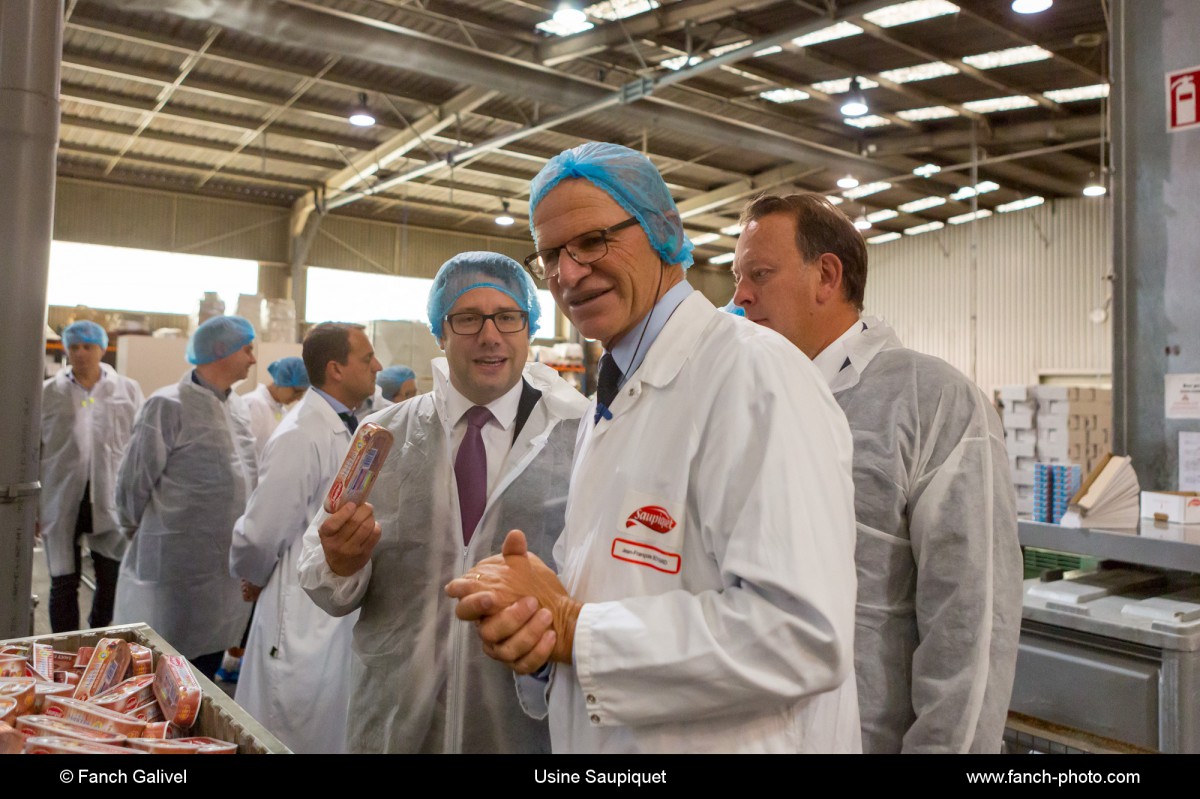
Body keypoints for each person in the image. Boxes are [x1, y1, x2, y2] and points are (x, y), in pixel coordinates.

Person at [445, 143, 861, 754]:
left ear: (662, 233)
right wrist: (540, 636)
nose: (567, 274)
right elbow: (618, 597)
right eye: (551, 255)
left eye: (591, 242)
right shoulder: (612, 400)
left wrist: (572, 628)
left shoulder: (753, 375)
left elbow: (800, 635)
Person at [729, 193, 1023, 753]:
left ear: (827, 276)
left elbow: (969, 623)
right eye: (739, 277)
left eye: (759, 275)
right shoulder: (743, 400)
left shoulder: (932, 401)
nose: (740, 296)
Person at [298, 252, 588, 753]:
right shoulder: (382, 438)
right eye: (468, 318)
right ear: (441, 331)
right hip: (395, 723)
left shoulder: (579, 438)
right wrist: (340, 564)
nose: (490, 334)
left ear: (529, 329)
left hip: (523, 727)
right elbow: (324, 582)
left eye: (508, 317)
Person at [230, 324, 379, 753]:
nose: (377, 368)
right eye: (367, 359)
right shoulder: (300, 434)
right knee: (290, 723)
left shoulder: (350, 424)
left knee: (327, 719)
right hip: (296, 609)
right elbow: (261, 534)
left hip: (336, 605)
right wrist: (252, 577)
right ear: (336, 369)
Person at [113, 315, 259, 680]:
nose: (253, 359)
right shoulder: (167, 404)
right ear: (221, 351)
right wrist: (139, 531)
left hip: (222, 570)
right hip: (174, 568)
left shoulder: (236, 406)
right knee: (164, 669)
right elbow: (133, 483)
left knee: (206, 667)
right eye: (247, 349)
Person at [39, 320, 143, 632]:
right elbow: (34, 448)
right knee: (62, 581)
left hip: (110, 495)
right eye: (74, 347)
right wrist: (31, 507)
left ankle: (98, 634)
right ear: (66, 350)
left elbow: (140, 444)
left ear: (102, 348)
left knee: (110, 577)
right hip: (60, 497)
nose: (81, 353)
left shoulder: (127, 390)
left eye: (88, 346)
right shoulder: (48, 392)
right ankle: (65, 648)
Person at [244, 356, 309, 460]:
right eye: (296, 391)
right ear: (282, 380)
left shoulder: (282, 411)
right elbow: (244, 452)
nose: (298, 398)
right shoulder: (253, 403)